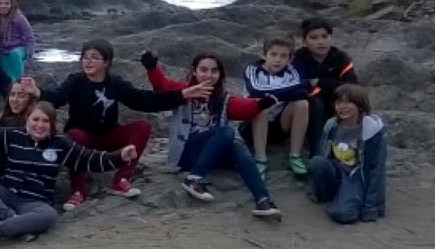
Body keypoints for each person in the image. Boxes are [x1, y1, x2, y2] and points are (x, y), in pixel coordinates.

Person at [0, 102, 136, 249]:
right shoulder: (11, 136)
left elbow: (89, 159)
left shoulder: (61, 145)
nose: (39, 125)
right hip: (6, 194)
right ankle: (14, 221)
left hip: (34, 203)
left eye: (45, 121)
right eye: (35, 119)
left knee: (49, 215)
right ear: (27, 121)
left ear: (51, 124)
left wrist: (119, 157)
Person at [36, 39, 207, 210]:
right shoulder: (76, 81)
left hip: (109, 136)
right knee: (73, 135)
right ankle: (78, 191)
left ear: (106, 62)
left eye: (94, 57)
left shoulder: (115, 83)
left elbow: (143, 100)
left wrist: (182, 95)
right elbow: (57, 99)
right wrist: (37, 92)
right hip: (84, 139)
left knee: (143, 126)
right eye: (85, 57)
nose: (88, 61)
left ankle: (120, 180)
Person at [142, 51, 283, 218]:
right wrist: (152, 68)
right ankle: (194, 178)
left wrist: (260, 104)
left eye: (214, 71)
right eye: (204, 70)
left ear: (220, 74)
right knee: (227, 132)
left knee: (237, 147)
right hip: (186, 153)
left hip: (213, 153)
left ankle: (262, 200)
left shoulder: (223, 98)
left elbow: (243, 107)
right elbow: (162, 86)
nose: (209, 75)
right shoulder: (183, 91)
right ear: (194, 71)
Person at [306, 84, 387, 224]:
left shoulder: (373, 132)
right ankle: (333, 197)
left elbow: (377, 170)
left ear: (360, 105)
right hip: (336, 172)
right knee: (316, 161)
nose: (342, 107)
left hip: (355, 177)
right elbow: (323, 156)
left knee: (343, 215)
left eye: (348, 102)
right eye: (338, 103)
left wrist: (371, 206)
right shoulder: (331, 125)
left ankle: (345, 199)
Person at [243, 36, 311, 178]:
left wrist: (271, 92)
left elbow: (303, 92)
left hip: (280, 123)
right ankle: (260, 159)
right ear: (264, 55)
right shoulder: (253, 69)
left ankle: (294, 156)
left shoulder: (292, 71)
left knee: (302, 104)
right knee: (261, 104)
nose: (278, 59)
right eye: (273, 54)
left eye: (283, 56)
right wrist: (288, 92)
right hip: (252, 125)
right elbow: (255, 91)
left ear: (289, 58)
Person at [292, 17, 358, 156]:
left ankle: (353, 143)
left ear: (331, 38)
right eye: (314, 38)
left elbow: (352, 86)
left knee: (352, 100)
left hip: (336, 101)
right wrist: (327, 87)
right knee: (316, 103)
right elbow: (297, 84)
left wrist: (319, 82)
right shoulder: (299, 58)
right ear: (304, 42)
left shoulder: (339, 57)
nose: (320, 42)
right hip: (312, 107)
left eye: (325, 36)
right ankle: (317, 149)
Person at [0, 0, 35, 84]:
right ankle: (13, 85)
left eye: (7, 3)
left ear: (12, 5)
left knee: (14, 54)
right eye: (0, 3)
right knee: (2, 61)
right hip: (3, 50)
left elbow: (29, 37)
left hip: (19, 48)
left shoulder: (19, 18)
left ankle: (21, 81)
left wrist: (29, 54)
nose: (3, 6)